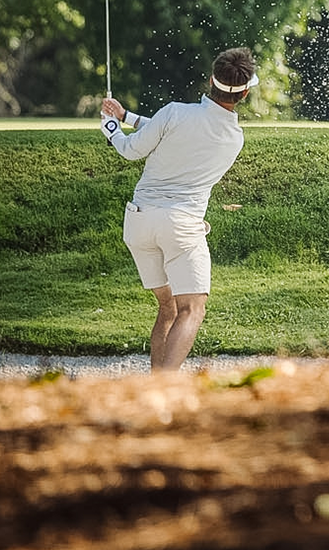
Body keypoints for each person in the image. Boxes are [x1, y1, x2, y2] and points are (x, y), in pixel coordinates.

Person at [99, 48, 257, 373]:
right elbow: (179, 134)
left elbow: (135, 147)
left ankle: (156, 385)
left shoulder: (174, 112)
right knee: (193, 309)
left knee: (168, 308)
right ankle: (164, 387)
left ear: (211, 80)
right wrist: (125, 118)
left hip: (139, 222)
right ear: (245, 91)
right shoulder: (234, 138)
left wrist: (113, 128)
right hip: (181, 227)